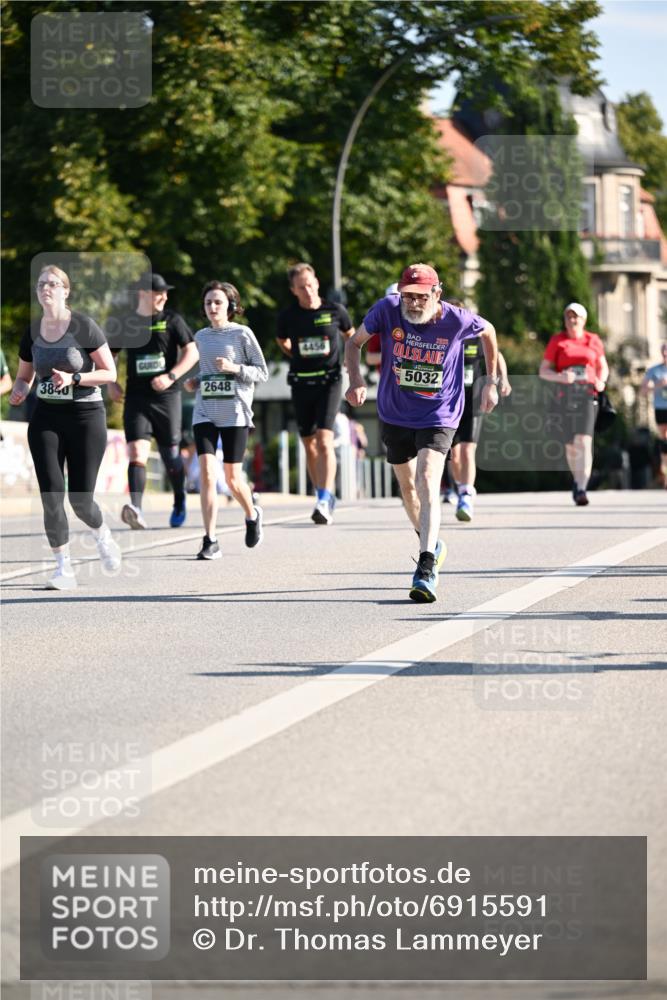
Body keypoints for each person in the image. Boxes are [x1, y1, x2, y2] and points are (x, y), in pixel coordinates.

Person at [345, 262, 499, 603]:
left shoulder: (456, 319)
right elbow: (354, 343)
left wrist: (492, 381)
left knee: (427, 477)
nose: (412, 304)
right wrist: (355, 380)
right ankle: (430, 538)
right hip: (395, 412)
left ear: (436, 294)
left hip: (439, 412)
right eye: (407, 296)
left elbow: (488, 332)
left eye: (420, 297)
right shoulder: (386, 310)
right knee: (407, 488)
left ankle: (426, 564)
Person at [8, 265, 121, 590]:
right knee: (51, 497)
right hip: (46, 418)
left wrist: (74, 377)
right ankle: (63, 568)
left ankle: (102, 535)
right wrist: (20, 390)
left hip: (86, 418)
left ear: (65, 290)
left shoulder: (83, 326)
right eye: (42, 283)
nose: (46, 288)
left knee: (81, 500)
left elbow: (110, 373)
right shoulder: (32, 331)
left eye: (53, 283)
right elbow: (24, 375)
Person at [107, 272, 198, 529]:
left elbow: (192, 351)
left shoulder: (172, 320)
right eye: (159, 292)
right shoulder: (126, 323)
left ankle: (180, 499)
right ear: (143, 294)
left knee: (171, 456)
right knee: (136, 452)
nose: (164, 297)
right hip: (136, 398)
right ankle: (136, 507)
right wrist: (110, 383)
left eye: (166, 293)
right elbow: (108, 355)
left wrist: (171, 376)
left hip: (166, 398)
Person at [184, 281, 268, 560]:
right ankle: (210, 539)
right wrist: (195, 382)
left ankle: (252, 513)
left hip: (235, 412)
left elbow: (262, 372)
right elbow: (207, 373)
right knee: (207, 472)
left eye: (218, 302)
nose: (212, 307)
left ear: (230, 306)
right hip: (205, 411)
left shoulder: (242, 334)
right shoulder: (201, 336)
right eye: (208, 303)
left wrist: (235, 368)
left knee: (232, 478)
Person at [276, 262, 354, 524]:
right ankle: (321, 494)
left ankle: (324, 496)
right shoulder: (288, 316)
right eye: (301, 287)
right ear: (293, 290)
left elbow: (351, 336)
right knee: (309, 443)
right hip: (301, 382)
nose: (307, 290)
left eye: (310, 284)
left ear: (317, 283)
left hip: (329, 382)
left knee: (323, 439)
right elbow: (281, 340)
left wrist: (349, 361)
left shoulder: (335, 310)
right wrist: (295, 353)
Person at [447, 300, 512, 522]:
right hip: (448, 403)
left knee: (466, 451)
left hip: (472, 399)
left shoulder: (476, 335)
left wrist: (501, 380)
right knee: (453, 456)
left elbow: (497, 354)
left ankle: (466, 494)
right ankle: (460, 486)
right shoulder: (444, 337)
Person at [539, 302, 608, 506]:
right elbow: (544, 371)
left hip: (588, 393)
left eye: (576, 317)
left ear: (583, 320)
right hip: (564, 394)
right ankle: (577, 480)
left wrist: (601, 381)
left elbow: (603, 367)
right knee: (570, 445)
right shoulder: (557, 341)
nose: (572, 320)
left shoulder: (593, 340)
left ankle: (581, 486)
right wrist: (561, 376)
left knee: (584, 440)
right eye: (569, 317)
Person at [640, 342, 667, 487]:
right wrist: (658, 385)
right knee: (664, 438)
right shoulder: (654, 370)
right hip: (661, 408)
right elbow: (643, 390)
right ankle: (664, 467)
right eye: (663, 351)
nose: (665, 354)